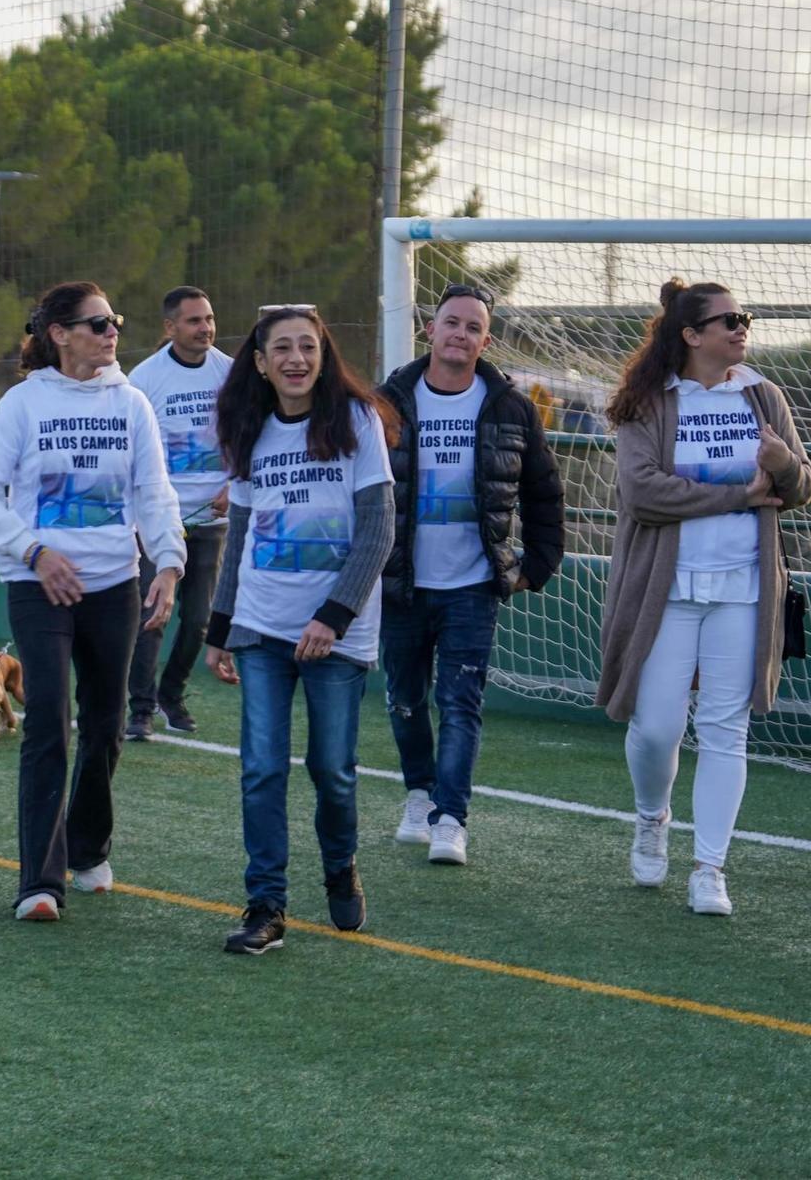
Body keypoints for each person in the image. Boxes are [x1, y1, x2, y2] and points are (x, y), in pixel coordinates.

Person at [0, 281, 185, 922]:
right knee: (48, 722)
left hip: (115, 585)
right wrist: (35, 554)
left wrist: (167, 564)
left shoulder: (133, 403)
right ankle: (40, 880)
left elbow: (155, 492)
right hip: (38, 586)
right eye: (96, 323)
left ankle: (88, 849)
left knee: (108, 726)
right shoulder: (23, 404)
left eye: (114, 320)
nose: (111, 331)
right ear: (59, 333)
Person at [597, 278, 807, 917]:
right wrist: (738, 495)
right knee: (657, 727)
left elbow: (797, 488)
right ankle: (651, 815)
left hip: (743, 591)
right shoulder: (647, 403)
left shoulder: (763, 395)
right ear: (691, 335)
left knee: (725, 731)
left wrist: (785, 465)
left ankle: (709, 867)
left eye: (745, 317)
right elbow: (644, 494)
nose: (742, 327)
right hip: (667, 592)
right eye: (729, 320)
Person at [204, 306, 395, 955]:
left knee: (332, 769)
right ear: (259, 361)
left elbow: (377, 530)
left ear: (324, 354)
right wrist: (219, 627)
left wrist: (333, 617)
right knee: (260, 768)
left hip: (336, 634)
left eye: (307, 346)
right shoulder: (251, 431)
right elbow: (238, 543)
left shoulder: (356, 423)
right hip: (261, 626)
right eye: (280, 347)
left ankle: (340, 865)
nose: (295, 357)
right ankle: (266, 904)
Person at [378, 283, 564, 865]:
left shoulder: (511, 406)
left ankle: (451, 819)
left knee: (461, 704)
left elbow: (544, 492)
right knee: (404, 700)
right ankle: (418, 794)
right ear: (430, 330)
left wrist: (537, 565)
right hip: (401, 583)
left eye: (473, 328)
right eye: (451, 323)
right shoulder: (388, 402)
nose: (461, 334)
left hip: (473, 587)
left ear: (485, 340)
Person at [125, 285, 233, 737]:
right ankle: (141, 709)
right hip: (158, 520)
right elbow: (128, 447)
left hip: (213, 522)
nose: (205, 328)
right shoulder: (144, 379)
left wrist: (235, 482)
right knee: (151, 616)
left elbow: (251, 432)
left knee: (198, 621)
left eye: (208, 319)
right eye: (194, 320)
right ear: (170, 327)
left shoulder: (230, 371)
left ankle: (172, 694)